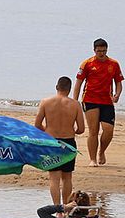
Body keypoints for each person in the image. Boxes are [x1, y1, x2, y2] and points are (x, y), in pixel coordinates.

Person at [35, 75, 86, 205]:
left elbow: (37, 124)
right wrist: (70, 130)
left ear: (57, 87)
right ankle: (66, 206)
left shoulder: (46, 102)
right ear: (69, 89)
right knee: (67, 177)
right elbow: (81, 129)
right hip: (68, 142)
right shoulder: (75, 104)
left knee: (54, 178)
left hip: (51, 142)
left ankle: (58, 209)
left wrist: (47, 130)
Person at [74, 38, 124, 166]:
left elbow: (118, 82)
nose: (101, 53)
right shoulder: (87, 63)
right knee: (93, 131)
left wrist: (117, 95)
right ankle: (93, 159)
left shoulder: (114, 64)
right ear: (94, 50)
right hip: (90, 99)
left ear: (107, 50)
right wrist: (75, 101)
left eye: (103, 50)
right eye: (99, 51)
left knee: (108, 130)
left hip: (107, 101)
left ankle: (101, 152)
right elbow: (78, 83)